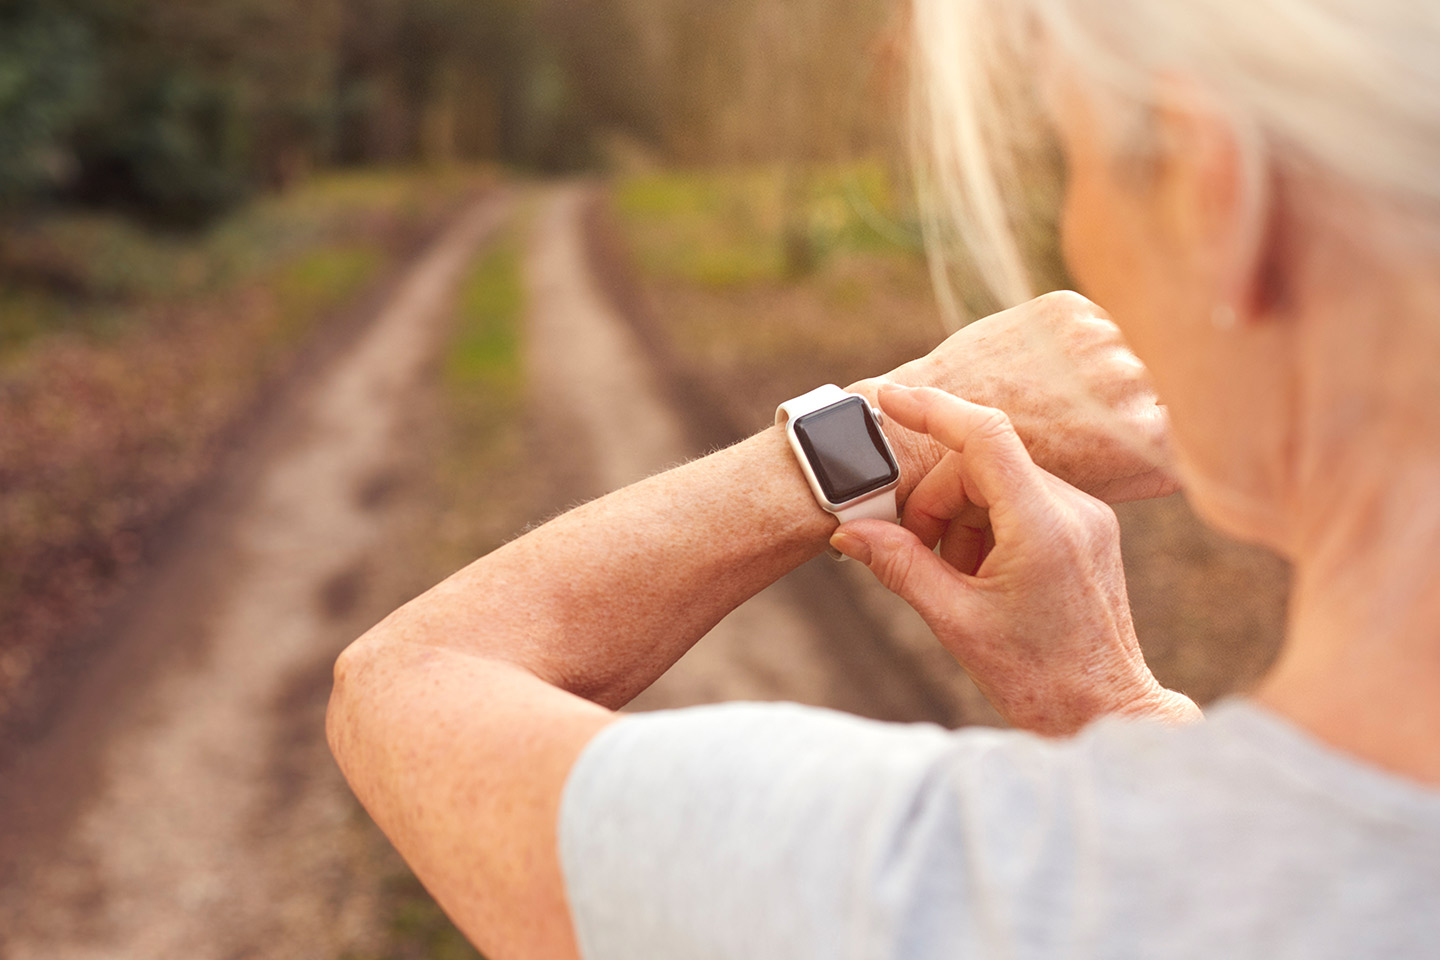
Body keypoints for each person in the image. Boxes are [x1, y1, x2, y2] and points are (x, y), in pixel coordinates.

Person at [326, 0, 1440, 956]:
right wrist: (1112, 708)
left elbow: (405, 682)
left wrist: (883, 427)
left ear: (1213, 195)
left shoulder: (922, 897)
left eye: (1074, 160)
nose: (1076, 231)